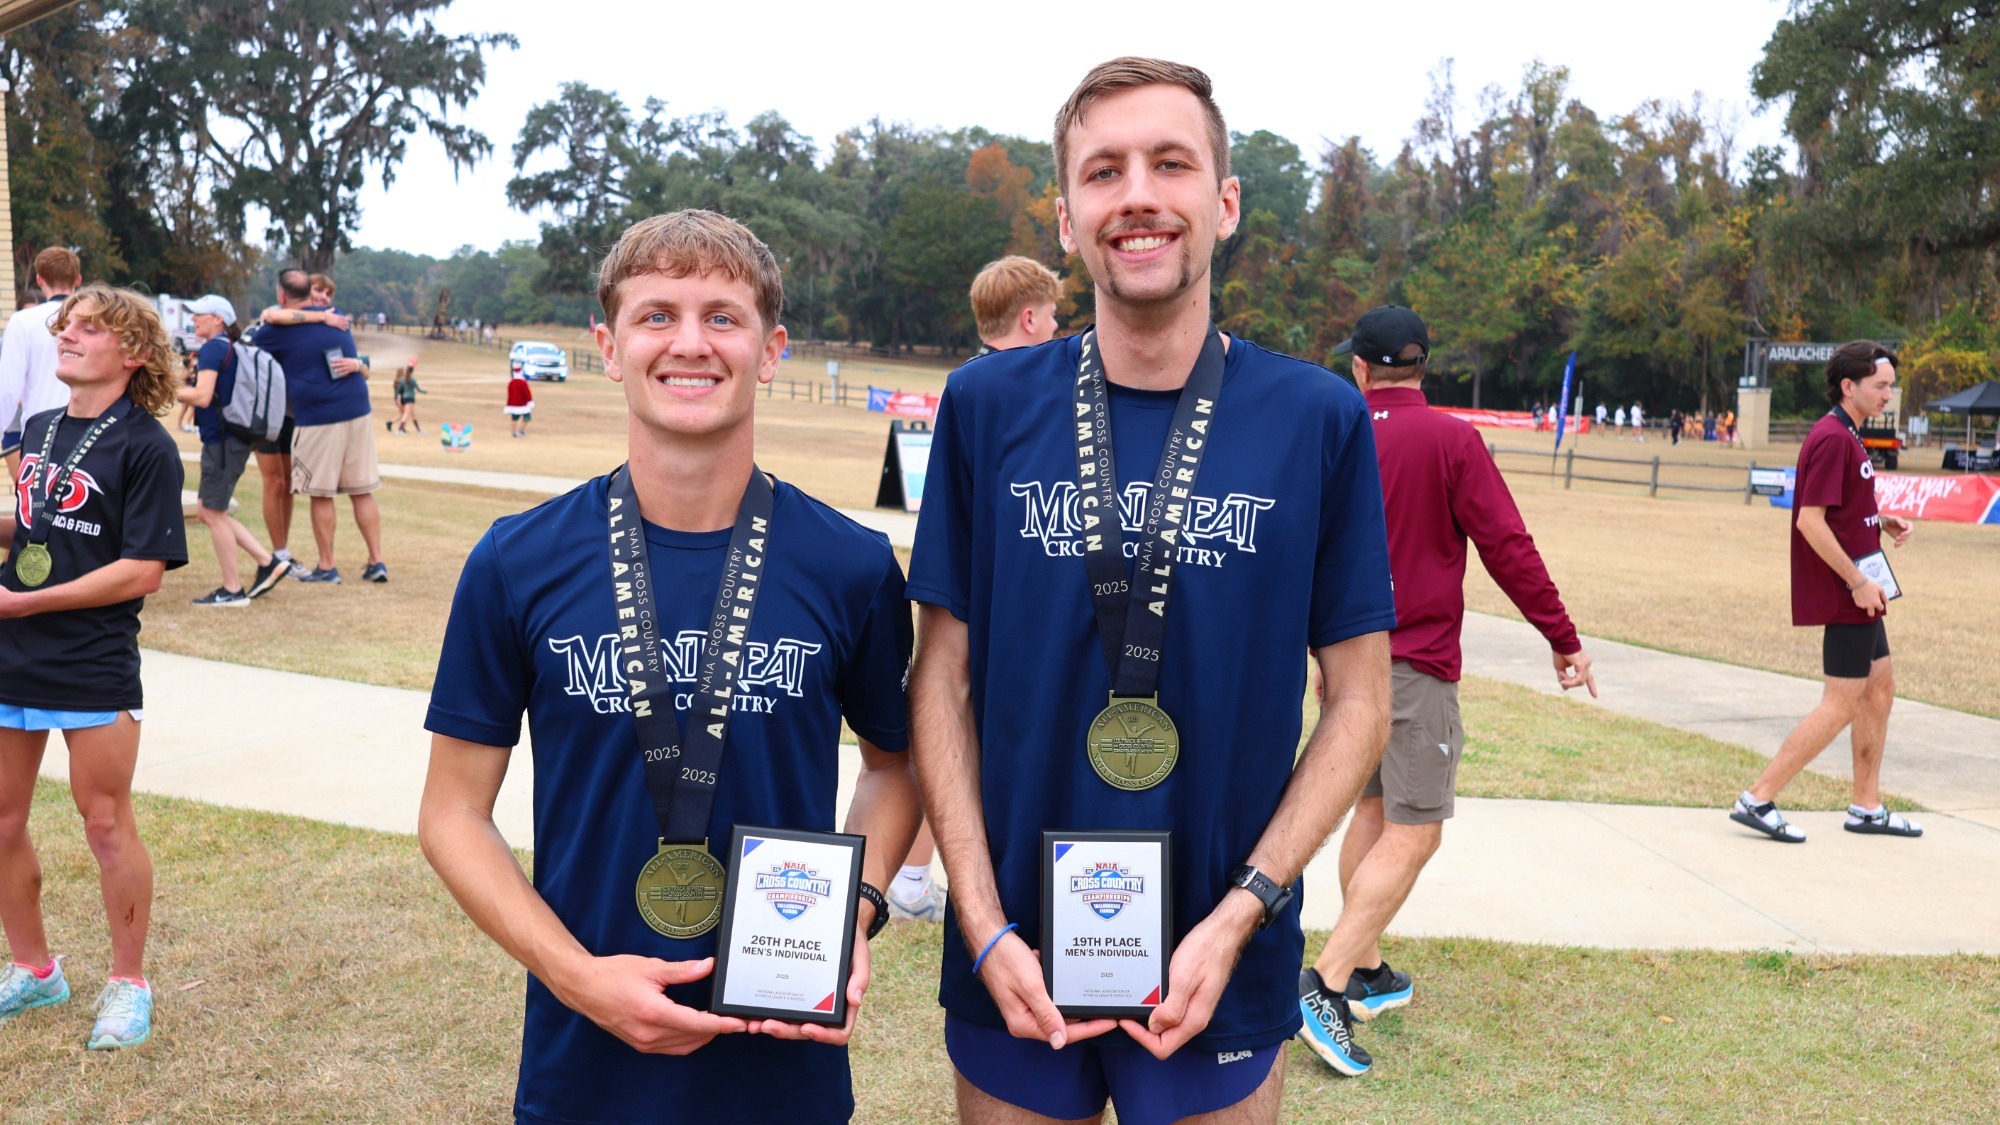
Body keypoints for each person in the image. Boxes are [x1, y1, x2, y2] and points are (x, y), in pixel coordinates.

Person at [907, 57, 1396, 1125]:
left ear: (1220, 203)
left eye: (1169, 164)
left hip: (1220, 958)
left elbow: (1360, 702)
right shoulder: (984, 407)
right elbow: (938, 681)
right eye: (1102, 171)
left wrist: (1239, 916)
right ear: (1068, 218)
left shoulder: (1314, 418)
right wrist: (982, 925)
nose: (1136, 193)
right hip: (1014, 961)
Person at [419, 209, 922, 1124]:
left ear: (770, 351)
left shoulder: (850, 563)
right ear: (609, 347)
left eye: (721, 317)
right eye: (658, 315)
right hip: (586, 1058)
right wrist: (580, 979)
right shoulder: (516, 559)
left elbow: (896, 764)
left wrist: (858, 908)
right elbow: (451, 812)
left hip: (781, 1058)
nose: (690, 343)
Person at [1294, 305, 1597, 1077]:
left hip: (1345, 664)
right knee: (1417, 827)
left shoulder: (1335, 431)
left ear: (1359, 368)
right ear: (1423, 368)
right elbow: (1506, 545)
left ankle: (1362, 966)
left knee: (1373, 809)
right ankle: (1323, 980)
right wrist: (1561, 637)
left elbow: (1298, 550)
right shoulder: (1452, 438)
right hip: (1414, 663)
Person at [0, 286, 189, 1050]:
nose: (66, 336)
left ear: (132, 352)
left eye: (86, 328)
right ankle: (35, 969)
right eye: (65, 326)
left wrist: (20, 606)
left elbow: (142, 570)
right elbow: (35, 522)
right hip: (13, 655)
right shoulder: (41, 428)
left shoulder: (147, 446)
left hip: (90, 659)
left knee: (106, 822)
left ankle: (128, 983)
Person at [1730, 341, 1921, 843]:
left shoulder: (1849, 435)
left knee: (1879, 688)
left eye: (1890, 386)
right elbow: (1810, 522)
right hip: (1849, 590)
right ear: (1849, 386)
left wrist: (1878, 519)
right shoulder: (1833, 437)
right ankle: (1758, 797)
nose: (1888, 394)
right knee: (1841, 702)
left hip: (1862, 588)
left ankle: (1866, 807)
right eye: (1880, 386)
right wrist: (1857, 582)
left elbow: (1838, 510)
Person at [252, 268, 387, 584]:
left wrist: (274, 314)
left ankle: (327, 566)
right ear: (311, 294)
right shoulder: (335, 316)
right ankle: (376, 561)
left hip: (318, 416)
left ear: (282, 295)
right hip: (358, 409)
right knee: (362, 490)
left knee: (320, 493)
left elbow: (263, 331)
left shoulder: (275, 329)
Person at [174, 295, 285, 606]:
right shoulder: (227, 346)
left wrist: (161, 387)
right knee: (212, 510)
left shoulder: (212, 348)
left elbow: (203, 396)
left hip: (222, 440)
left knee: (212, 513)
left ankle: (232, 589)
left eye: (200, 315)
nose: (194, 320)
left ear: (218, 320)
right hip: (230, 438)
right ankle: (269, 562)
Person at [0, 248, 83, 512]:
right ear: (78, 280)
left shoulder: (23, 321)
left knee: (34, 512)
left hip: (40, 432)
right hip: (88, 428)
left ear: (39, 279)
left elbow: (7, 390)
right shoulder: (93, 319)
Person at [969, 255, 1063, 353]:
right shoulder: (1031, 368)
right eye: (1052, 315)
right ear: (1029, 320)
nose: (1055, 325)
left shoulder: (970, 367)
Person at [389, 363, 425, 434]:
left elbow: (398, 391)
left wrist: (396, 398)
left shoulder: (402, 380)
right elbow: (418, 389)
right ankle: (400, 429)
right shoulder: (412, 380)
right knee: (406, 414)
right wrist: (424, 392)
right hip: (410, 399)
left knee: (413, 414)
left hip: (405, 399)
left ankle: (418, 430)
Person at [505, 367, 534, 437]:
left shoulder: (511, 382)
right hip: (522, 404)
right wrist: (530, 401)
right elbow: (527, 393)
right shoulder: (523, 383)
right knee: (527, 417)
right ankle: (521, 430)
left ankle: (513, 432)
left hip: (513, 404)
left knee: (514, 418)